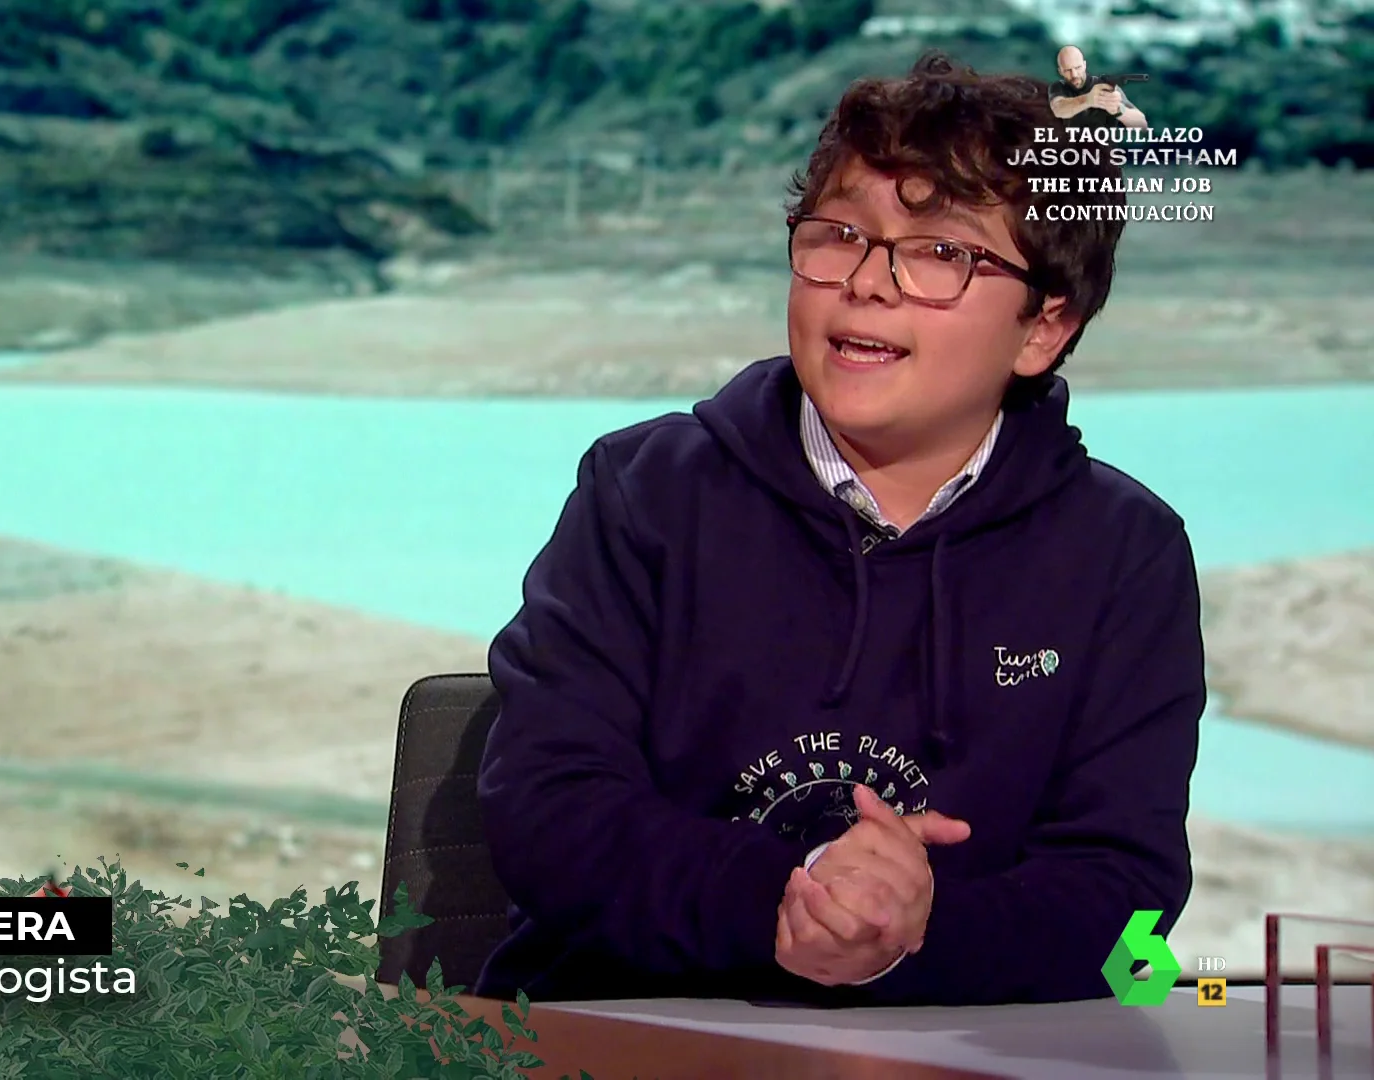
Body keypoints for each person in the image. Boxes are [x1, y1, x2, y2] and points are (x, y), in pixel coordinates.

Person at [472, 51, 1204, 1007]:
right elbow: (549, 809)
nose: (868, 281)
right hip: (629, 1028)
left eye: (942, 253)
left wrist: (906, 935)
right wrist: (788, 902)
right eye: (839, 235)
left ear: (1043, 327)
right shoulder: (646, 490)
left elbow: (1130, 902)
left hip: (956, 1046)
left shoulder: (1123, 551)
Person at [1049, 45, 1148, 129]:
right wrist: (1088, 100)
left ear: (1084, 65)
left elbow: (1142, 124)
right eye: (1067, 70)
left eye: (1077, 67)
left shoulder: (1103, 85)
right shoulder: (1058, 87)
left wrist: (1118, 110)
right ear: (1060, 71)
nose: (1074, 74)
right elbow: (1058, 109)